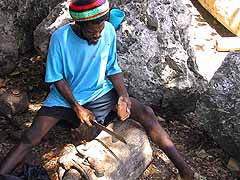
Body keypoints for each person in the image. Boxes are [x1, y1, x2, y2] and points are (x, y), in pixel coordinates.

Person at [0, 0, 194, 179]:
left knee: (145, 112)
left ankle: (184, 169)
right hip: (65, 97)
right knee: (30, 137)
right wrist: (77, 107)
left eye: (100, 30)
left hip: (99, 92)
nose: (98, 35)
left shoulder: (108, 30)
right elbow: (56, 77)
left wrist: (123, 97)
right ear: (79, 25)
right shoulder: (60, 38)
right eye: (92, 32)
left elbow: (112, 67)